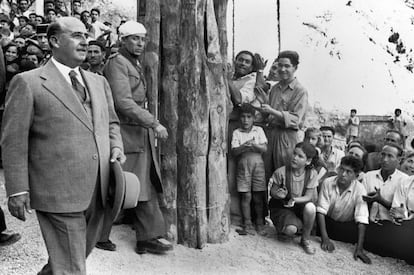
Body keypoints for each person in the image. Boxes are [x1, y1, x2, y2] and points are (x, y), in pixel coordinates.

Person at [1, 17, 125, 274]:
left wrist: (116, 147)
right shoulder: (28, 82)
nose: (84, 41)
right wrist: (16, 190)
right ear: (55, 41)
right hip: (57, 191)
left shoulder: (99, 82)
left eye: (86, 35)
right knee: (71, 266)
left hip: (98, 189)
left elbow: (112, 122)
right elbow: (13, 140)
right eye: (76, 35)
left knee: (71, 256)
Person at [103, 21, 172, 255]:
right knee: (124, 186)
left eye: (142, 39)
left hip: (137, 133)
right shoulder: (117, 63)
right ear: (122, 40)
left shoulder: (132, 62)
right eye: (134, 38)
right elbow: (122, 102)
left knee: (139, 185)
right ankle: (103, 235)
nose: (140, 43)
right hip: (126, 133)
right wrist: (153, 122)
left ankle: (147, 236)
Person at [260, 50, 309, 181]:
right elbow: (268, 115)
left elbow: (296, 120)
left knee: (284, 175)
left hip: (287, 137)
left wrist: (272, 111)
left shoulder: (300, 90)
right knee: (266, 174)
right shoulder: (275, 88)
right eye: (280, 65)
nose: (282, 69)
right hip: (271, 134)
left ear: (295, 68)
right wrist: (264, 111)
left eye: (287, 66)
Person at [317, 156, 371, 264]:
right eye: (341, 169)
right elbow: (320, 211)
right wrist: (325, 238)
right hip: (326, 223)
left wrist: (359, 248)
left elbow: (362, 219)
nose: (343, 174)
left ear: (356, 176)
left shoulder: (360, 189)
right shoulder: (328, 182)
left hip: (345, 227)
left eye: (348, 172)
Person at [269, 142, 318, 255]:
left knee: (311, 208)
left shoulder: (312, 173)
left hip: (299, 207)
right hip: (282, 207)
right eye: (294, 154)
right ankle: (287, 228)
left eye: (300, 156)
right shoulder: (281, 172)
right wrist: (278, 195)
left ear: (308, 161)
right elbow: (272, 192)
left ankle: (305, 239)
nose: (295, 158)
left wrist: (294, 200)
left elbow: (308, 196)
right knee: (290, 230)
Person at [231, 103, 267, 235]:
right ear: (239, 118)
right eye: (243, 117)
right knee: (246, 195)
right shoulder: (237, 133)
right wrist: (244, 146)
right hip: (243, 166)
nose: (245, 120)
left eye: (249, 117)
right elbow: (234, 151)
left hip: (258, 166)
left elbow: (264, 148)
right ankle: (247, 223)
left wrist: (255, 146)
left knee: (258, 196)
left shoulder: (258, 131)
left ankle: (259, 223)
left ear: (254, 118)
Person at [362, 142, 408, 223]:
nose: (385, 159)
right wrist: (368, 200)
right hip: (369, 224)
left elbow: (401, 211)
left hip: (391, 228)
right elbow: (360, 203)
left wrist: (380, 200)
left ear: (399, 160)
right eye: (383, 154)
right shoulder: (368, 176)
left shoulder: (404, 181)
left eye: (390, 156)